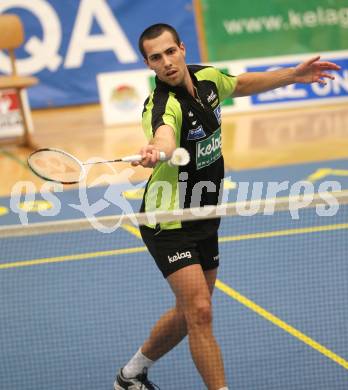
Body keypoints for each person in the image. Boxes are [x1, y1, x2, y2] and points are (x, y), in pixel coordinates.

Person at [114, 23, 340, 390]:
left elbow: (242, 84)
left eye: (170, 52)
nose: (167, 62)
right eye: (157, 57)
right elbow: (165, 135)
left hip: (205, 211)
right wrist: (158, 150)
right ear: (148, 65)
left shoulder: (207, 78)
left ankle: (131, 374)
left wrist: (292, 76)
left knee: (190, 314)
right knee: (201, 311)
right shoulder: (161, 105)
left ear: (182, 49)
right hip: (167, 218)